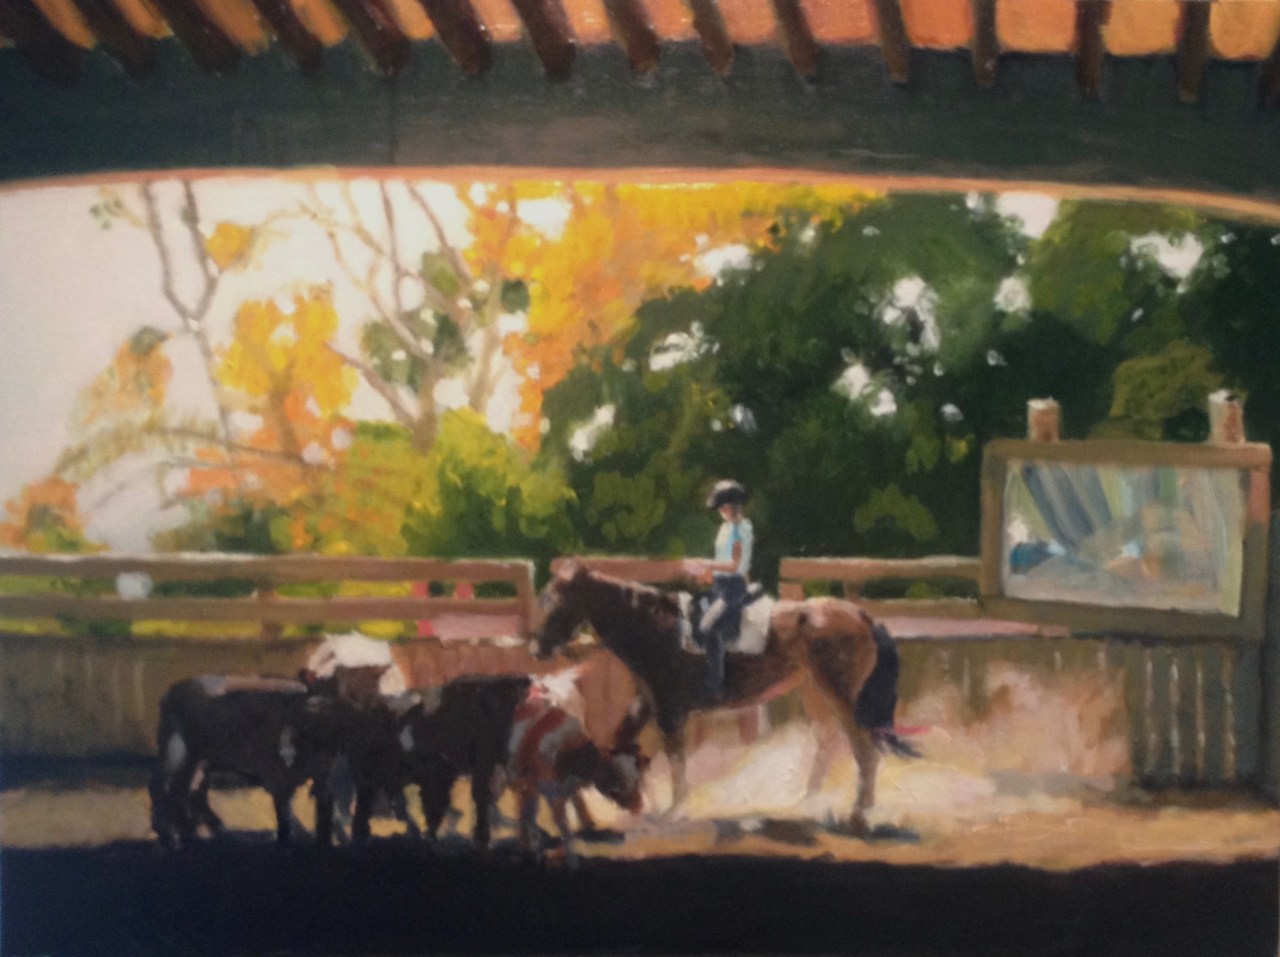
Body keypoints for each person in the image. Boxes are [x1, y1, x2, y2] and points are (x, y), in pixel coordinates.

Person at [697, 479, 755, 700]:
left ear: (734, 506)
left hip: (732, 589)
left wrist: (708, 565)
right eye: (720, 506)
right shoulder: (724, 528)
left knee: (708, 627)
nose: (721, 510)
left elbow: (734, 565)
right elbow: (722, 560)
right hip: (719, 585)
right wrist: (709, 574)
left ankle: (716, 685)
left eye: (724, 506)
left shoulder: (742, 530)